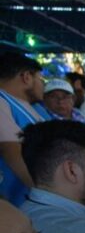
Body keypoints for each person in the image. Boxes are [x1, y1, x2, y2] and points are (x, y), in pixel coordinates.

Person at [0, 52, 44, 206]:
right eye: (40, 79)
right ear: (26, 77)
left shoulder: (31, 107)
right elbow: (11, 149)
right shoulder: (1, 101)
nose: (43, 84)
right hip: (20, 205)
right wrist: (49, 194)